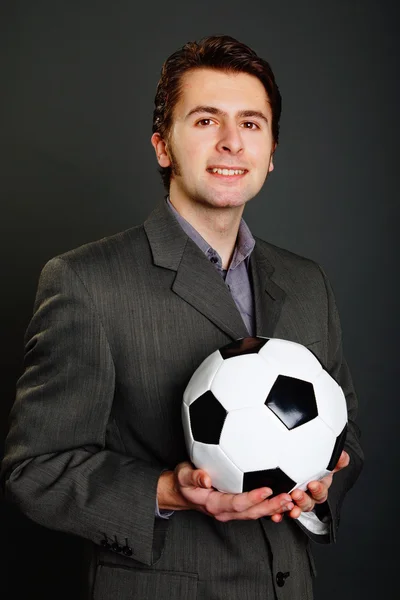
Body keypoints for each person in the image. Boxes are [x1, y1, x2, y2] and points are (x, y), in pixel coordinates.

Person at [1, 35, 363, 599]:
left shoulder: (306, 281)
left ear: (270, 151)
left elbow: (346, 432)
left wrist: (319, 490)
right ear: (162, 146)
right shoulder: (85, 282)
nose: (229, 143)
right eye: (204, 121)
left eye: (250, 124)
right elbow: (36, 470)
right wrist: (168, 491)